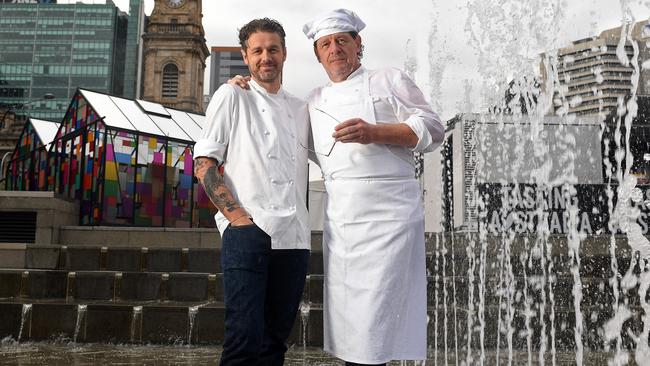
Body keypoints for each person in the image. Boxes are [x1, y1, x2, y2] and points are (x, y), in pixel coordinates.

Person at [302, 9, 444, 366]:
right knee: (352, 328)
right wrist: (244, 87)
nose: (334, 49)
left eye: (341, 41)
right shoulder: (314, 101)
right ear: (318, 54)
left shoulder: (388, 79)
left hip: (388, 219)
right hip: (343, 223)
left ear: (358, 44)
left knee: (376, 324)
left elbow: (433, 128)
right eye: (326, 44)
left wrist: (373, 132)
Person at [193, 18, 310, 366]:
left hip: (294, 238)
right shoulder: (232, 95)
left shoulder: (301, 108)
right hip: (248, 231)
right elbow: (204, 162)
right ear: (246, 56)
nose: (266, 57)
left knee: (275, 343)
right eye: (257, 51)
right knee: (243, 341)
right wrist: (238, 219)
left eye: (273, 49)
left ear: (284, 53)